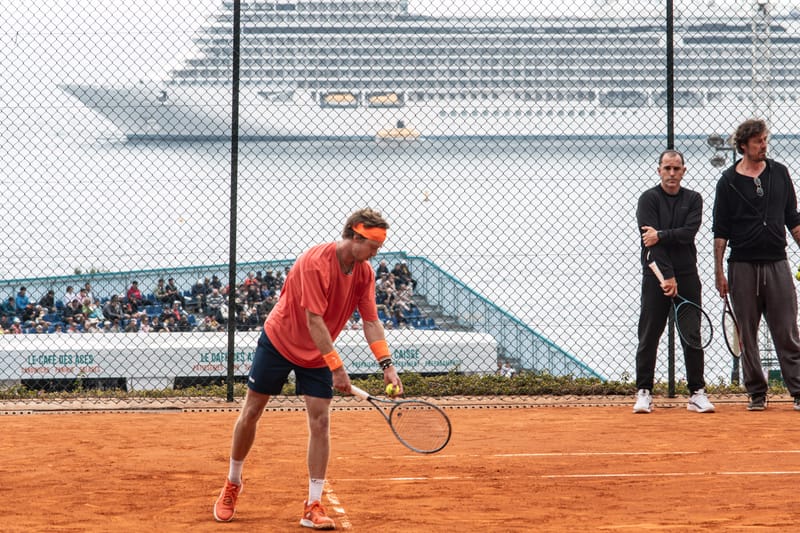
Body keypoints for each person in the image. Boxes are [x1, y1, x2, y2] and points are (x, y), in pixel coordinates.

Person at [213, 208, 403, 529]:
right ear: (356, 237)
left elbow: (371, 321)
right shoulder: (315, 262)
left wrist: (387, 365)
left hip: (317, 353)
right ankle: (233, 482)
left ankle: (313, 504)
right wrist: (337, 367)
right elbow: (313, 320)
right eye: (373, 245)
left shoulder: (364, 273)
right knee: (252, 411)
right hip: (279, 341)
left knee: (320, 421)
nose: (376, 253)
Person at [712, 118, 800, 411]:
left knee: (787, 329)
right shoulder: (727, 181)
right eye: (758, 141)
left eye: (765, 140)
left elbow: (793, 219)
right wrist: (719, 272)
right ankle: (756, 393)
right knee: (747, 333)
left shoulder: (780, 173)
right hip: (742, 266)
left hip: (777, 262)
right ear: (743, 146)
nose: (764, 145)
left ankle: (798, 390)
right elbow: (720, 231)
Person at [634, 149, 714, 414]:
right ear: (659, 170)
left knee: (691, 336)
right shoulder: (648, 199)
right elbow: (650, 243)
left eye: (676, 169)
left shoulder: (693, 199)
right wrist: (667, 277)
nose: (671, 173)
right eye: (667, 168)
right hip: (655, 278)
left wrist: (663, 235)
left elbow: (688, 233)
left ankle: (696, 394)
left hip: (688, 277)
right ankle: (644, 392)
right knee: (649, 336)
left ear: (683, 171)